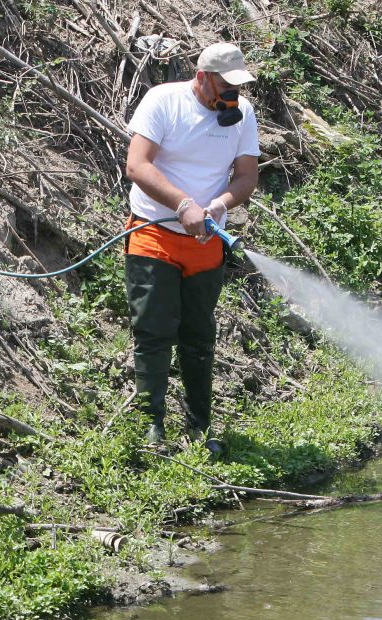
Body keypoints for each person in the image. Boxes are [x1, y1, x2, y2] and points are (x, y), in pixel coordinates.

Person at [124, 42, 260, 443]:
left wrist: (218, 204)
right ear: (202, 77)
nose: (233, 95)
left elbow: (246, 177)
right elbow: (138, 164)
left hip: (205, 244)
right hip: (154, 232)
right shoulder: (163, 101)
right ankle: (152, 426)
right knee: (153, 330)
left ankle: (199, 426)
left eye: (239, 85)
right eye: (226, 85)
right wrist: (182, 204)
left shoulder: (243, 115)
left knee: (199, 335)